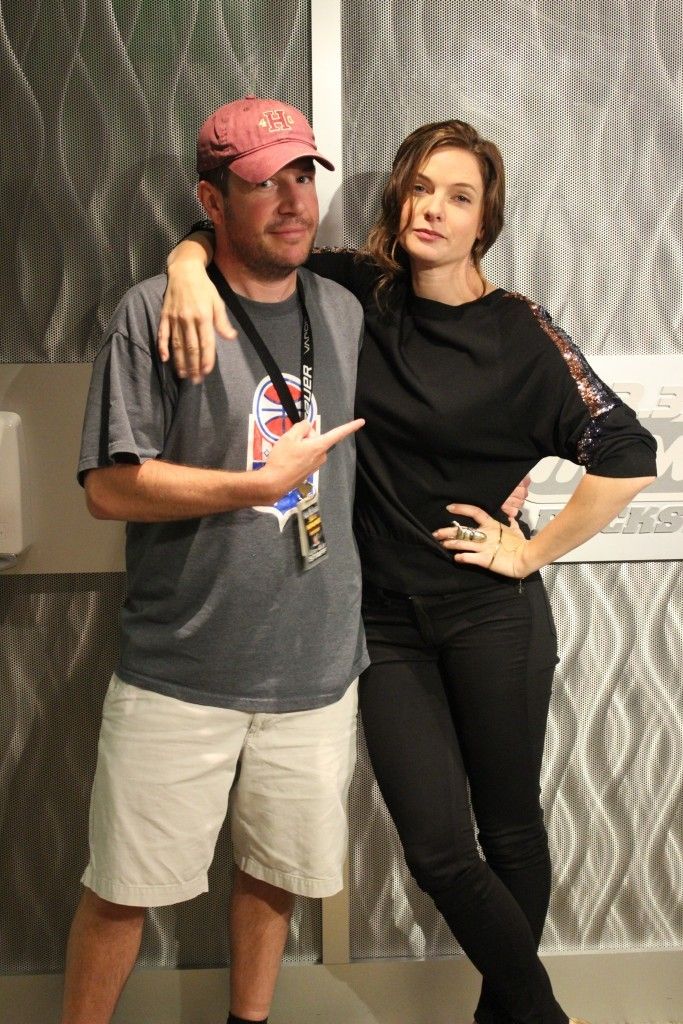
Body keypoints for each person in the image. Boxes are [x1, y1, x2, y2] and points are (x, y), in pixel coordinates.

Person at [160, 116, 657, 1024]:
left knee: (509, 828)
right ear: (398, 197)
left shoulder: (518, 331)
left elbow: (627, 452)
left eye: (458, 197)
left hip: (491, 617)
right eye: (421, 188)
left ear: (483, 222)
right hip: (383, 623)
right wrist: (186, 267)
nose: (433, 209)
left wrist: (529, 549)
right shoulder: (358, 291)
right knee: (436, 850)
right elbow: (246, 240)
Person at [62, 96, 369, 1024]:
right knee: (123, 887)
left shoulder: (342, 309)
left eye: (303, 176)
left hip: (315, 666)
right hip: (182, 669)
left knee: (273, 876)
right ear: (211, 199)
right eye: (264, 183)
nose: (293, 200)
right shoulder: (154, 310)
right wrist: (252, 486)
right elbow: (109, 488)